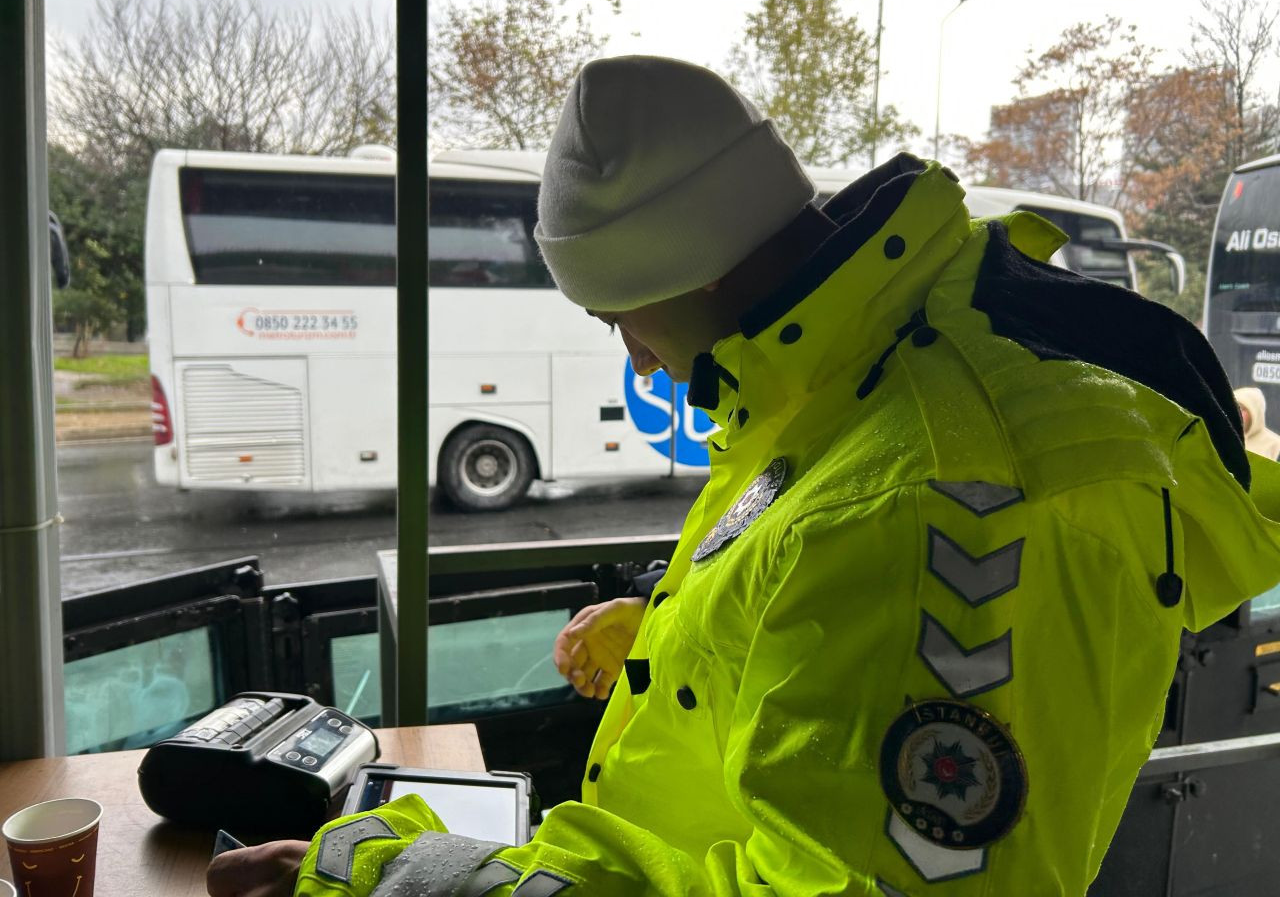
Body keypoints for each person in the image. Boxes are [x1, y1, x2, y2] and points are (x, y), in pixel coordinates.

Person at [208, 55, 1280, 897]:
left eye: (615, 314)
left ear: (689, 269)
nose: (629, 353)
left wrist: (381, 874)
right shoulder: (846, 378)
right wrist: (686, 637)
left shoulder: (922, 498)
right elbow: (816, 606)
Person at [1235, 386, 1280, 460]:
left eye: (1242, 409)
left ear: (1255, 413)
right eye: (1234, 407)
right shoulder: (1223, 439)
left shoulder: (1275, 445)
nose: (1237, 413)